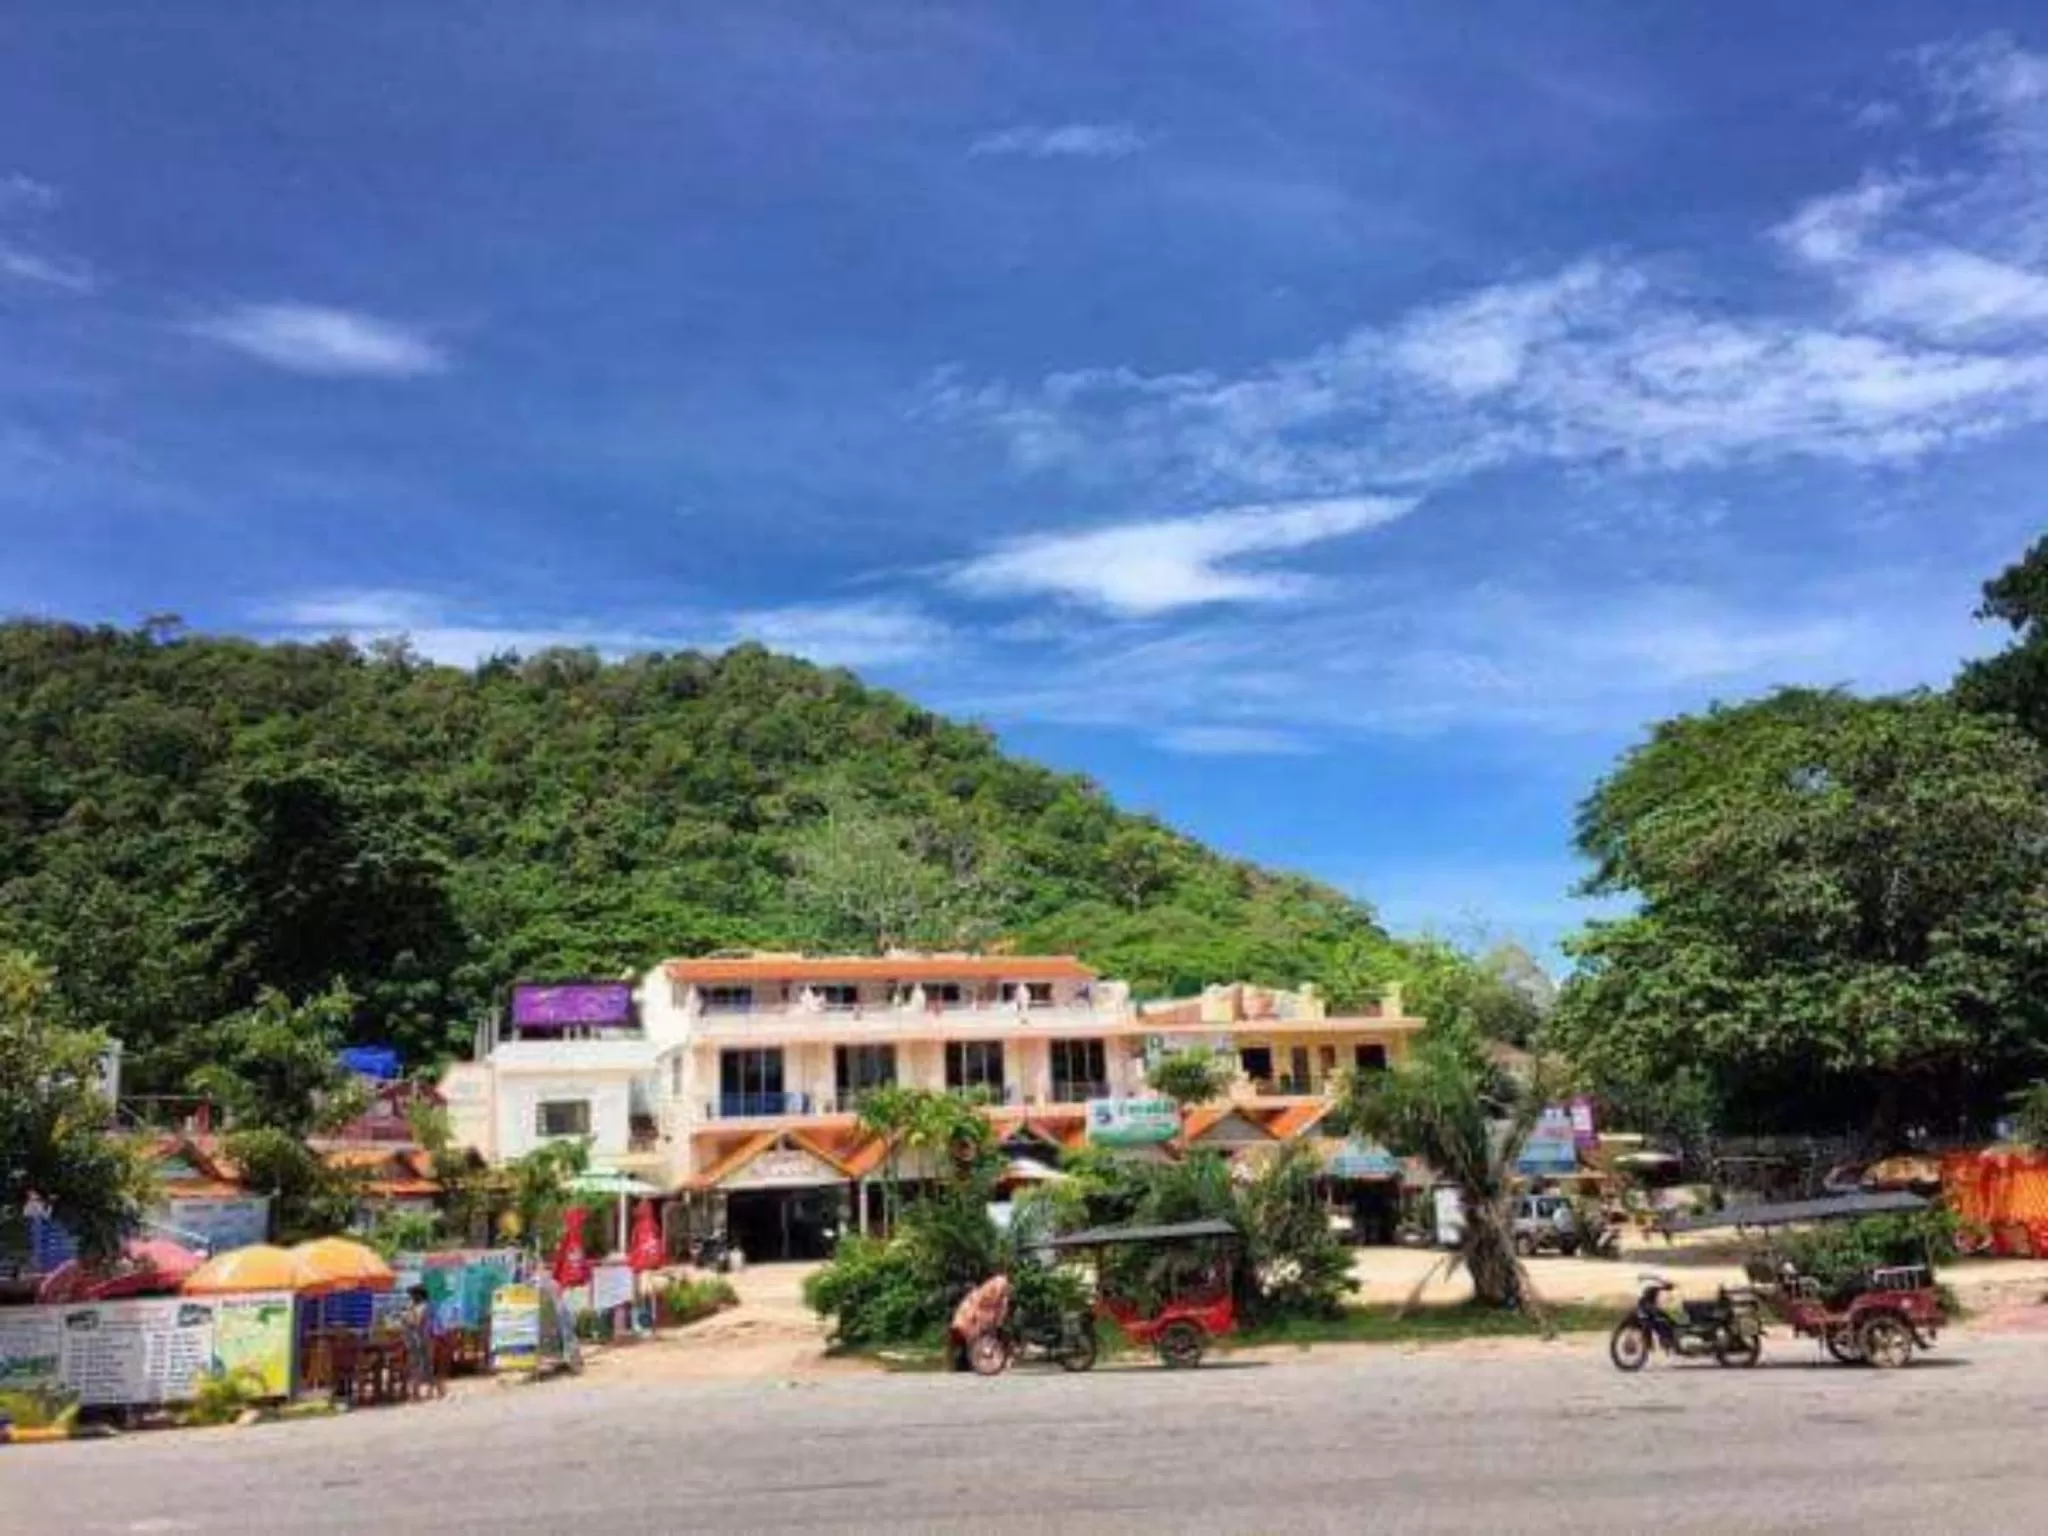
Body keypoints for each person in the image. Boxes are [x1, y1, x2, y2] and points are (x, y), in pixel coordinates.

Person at [401, 1284, 443, 1400]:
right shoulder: (417, 1306)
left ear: (419, 1295)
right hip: (418, 1340)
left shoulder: (424, 1307)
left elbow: (417, 1322)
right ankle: (437, 1389)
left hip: (423, 1339)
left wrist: (408, 1315)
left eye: (412, 1295)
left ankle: (418, 1392)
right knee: (424, 1366)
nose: (411, 1298)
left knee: (420, 1366)